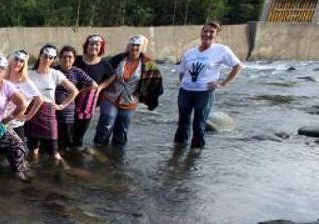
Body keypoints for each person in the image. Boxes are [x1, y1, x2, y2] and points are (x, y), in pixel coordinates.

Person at [175, 21, 244, 149]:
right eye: (205, 31)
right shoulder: (190, 52)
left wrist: (222, 83)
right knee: (183, 122)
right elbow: (182, 72)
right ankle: (178, 150)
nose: (207, 34)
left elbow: (238, 66)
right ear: (201, 32)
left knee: (198, 124)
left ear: (216, 34)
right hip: (185, 92)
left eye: (211, 32)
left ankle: (195, 154)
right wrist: (183, 83)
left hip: (204, 93)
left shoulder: (221, 50)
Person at [93, 35, 162, 148]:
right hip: (110, 97)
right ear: (128, 46)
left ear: (142, 48)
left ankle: (117, 155)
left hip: (129, 101)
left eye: (137, 46)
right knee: (107, 121)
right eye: (132, 45)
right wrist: (98, 87)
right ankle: (99, 147)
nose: (134, 48)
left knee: (122, 128)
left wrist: (145, 95)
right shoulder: (118, 59)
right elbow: (104, 72)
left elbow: (156, 81)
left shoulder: (149, 64)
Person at [25, 44, 79, 163]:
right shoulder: (29, 74)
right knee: (33, 148)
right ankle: (34, 170)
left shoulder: (55, 74)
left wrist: (62, 105)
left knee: (54, 152)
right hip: (31, 112)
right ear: (40, 55)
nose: (47, 59)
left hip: (48, 113)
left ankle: (63, 170)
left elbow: (74, 91)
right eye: (45, 56)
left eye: (51, 57)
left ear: (54, 59)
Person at [72, 35, 115, 147]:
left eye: (97, 45)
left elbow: (112, 76)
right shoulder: (77, 59)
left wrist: (100, 87)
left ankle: (76, 152)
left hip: (89, 102)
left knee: (81, 129)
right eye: (91, 44)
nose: (94, 47)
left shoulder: (104, 63)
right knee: (68, 126)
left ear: (101, 48)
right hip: (72, 98)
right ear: (86, 45)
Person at [53, 45, 97, 152]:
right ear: (60, 57)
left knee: (67, 137)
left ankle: (67, 159)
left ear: (74, 59)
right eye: (64, 57)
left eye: (70, 57)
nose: (67, 59)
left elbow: (94, 85)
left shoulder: (77, 71)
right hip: (52, 108)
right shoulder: (54, 70)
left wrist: (79, 92)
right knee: (52, 136)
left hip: (67, 108)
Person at [5, 50, 43, 143]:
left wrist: (28, 116)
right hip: (1, 123)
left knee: (19, 154)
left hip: (15, 125)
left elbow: (39, 99)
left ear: (24, 64)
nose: (18, 63)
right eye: (16, 59)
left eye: (21, 61)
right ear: (11, 60)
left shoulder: (25, 82)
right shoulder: (4, 78)